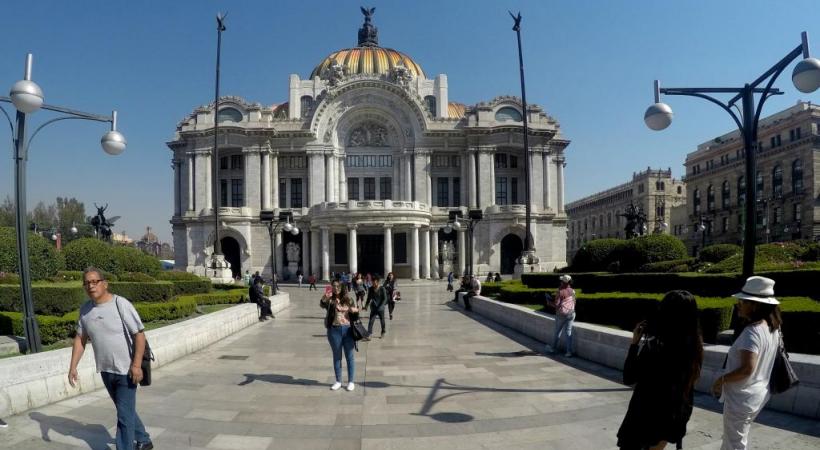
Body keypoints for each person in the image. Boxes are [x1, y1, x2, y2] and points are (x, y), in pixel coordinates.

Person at [68, 268, 153, 450]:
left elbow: (139, 334)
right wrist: (73, 367)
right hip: (106, 370)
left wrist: (136, 365)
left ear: (104, 283)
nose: (91, 286)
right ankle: (144, 440)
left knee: (123, 416)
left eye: (95, 281)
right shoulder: (85, 310)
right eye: (87, 283)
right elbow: (80, 340)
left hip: (126, 370)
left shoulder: (120, 304)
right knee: (125, 411)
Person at [617, 290, 704, 450]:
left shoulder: (656, 347)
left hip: (646, 413)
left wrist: (634, 344)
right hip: (673, 414)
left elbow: (629, 377)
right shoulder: (695, 347)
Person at [711, 276, 782, 450]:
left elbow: (746, 369)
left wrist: (720, 380)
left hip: (741, 398)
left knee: (734, 445)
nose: (738, 305)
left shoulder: (752, 332)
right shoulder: (773, 327)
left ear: (754, 305)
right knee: (735, 439)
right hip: (758, 394)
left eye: (742, 301)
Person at [319, 280, 359, 391]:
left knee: (349, 356)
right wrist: (325, 296)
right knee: (337, 357)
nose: (336, 288)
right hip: (334, 331)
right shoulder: (330, 300)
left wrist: (351, 309)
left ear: (342, 288)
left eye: (338, 286)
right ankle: (338, 381)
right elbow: (322, 304)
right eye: (334, 286)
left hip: (348, 330)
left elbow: (356, 313)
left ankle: (351, 381)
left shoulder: (349, 299)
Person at [545, 274, 576, 357]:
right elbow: (574, 302)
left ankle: (552, 348)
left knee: (557, 332)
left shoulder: (560, 291)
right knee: (568, 332)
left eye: (561, 281)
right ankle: (569, 352)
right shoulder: (572, 290)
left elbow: (556, 304)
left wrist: (549, 302)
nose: (560, 282)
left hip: (561, 314)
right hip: (571, 313)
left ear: (563, 282)